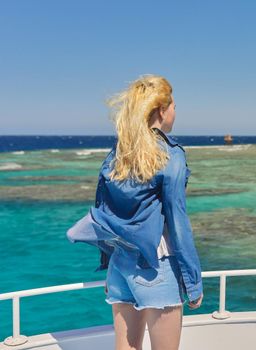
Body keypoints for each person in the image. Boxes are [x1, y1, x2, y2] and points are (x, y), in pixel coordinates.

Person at [66, 74, 203, 350]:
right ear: (161, 111)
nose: (176, 112)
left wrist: (108, 266)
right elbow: (178, 222)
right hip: (157, 268)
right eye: (174, 106)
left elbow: (105, 212)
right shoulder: (170, 155)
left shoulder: (119, 153)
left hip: (120, 265)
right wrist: (193, 281)